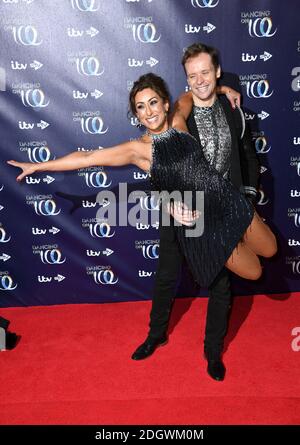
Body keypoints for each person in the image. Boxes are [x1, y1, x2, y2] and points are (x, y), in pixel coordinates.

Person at [7, 73, 277, 380]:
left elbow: (190, 95)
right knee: (174, 277)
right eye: (140, 107)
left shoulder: (178, 120)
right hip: (183, 217)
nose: (148, 111)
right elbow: (87, 157)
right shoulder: (138, 150)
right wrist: (38, 166)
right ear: (135, 114)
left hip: (219, 203)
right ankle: (171, 340)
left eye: (153, 103)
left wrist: (223, 88)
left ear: (164, 103)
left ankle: (212, 348)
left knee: (264, 254)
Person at [130, 43, 267, 381]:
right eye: (194, 75)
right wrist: (169, 203)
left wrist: (246, 198)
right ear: (186, 79)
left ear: (216, 72)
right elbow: (162, 161)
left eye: (207, 72)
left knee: (220, 284)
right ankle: (156, 333)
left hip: (219, 209)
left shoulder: (233, 108)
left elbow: (248, 156)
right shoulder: (179, 110)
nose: (200, 79)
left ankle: (212, 352)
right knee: (166, 275)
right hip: (176, 207)